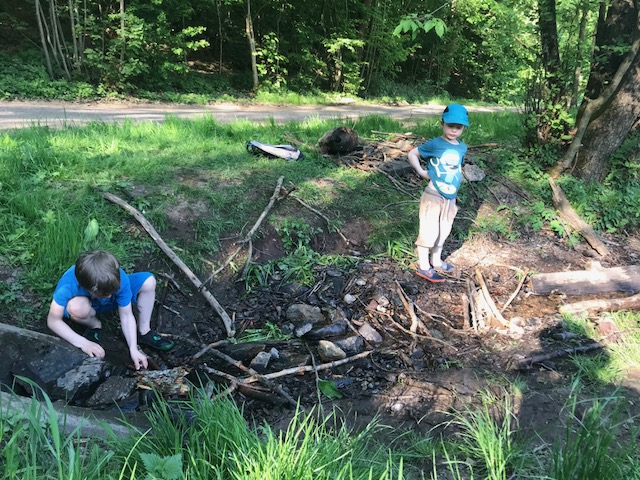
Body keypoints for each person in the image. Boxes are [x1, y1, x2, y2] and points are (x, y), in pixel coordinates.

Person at [46, 250, 174, 370]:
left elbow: (126, 315)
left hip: (108, 302)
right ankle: (94, 325)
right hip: (88, 305)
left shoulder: (119, 279)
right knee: (77, 307)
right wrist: (83, 343)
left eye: (112, 292)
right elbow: (53, 320)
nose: (109, 296)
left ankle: (144, 331)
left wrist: (133, 348)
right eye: (104, 294)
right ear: (87, 287)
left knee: (149, 281)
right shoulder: (68, 284)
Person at [407, 103, 469, 283]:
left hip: (450, 197)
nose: (454, 130)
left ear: (463, 128)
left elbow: (455, 166)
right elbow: (412, 154)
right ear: (442, 123)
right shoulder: (435, 144)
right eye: (450, 126)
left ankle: (436, 260)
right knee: (429, 229)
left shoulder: (461, 147)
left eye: (459, 127)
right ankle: (424, 265)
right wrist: (421, 172)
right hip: (433, 195)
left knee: (444, 229)